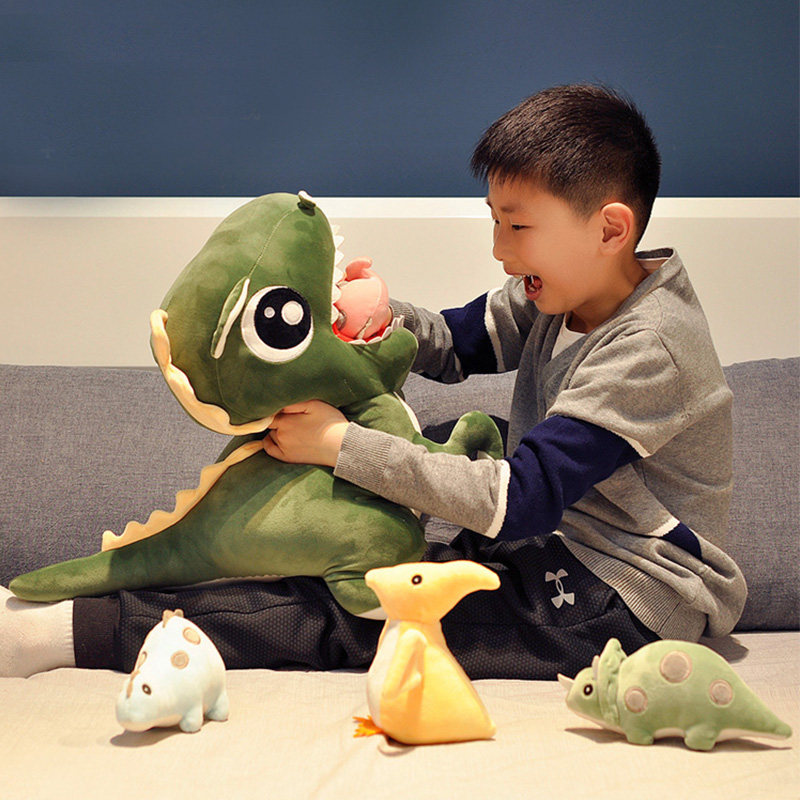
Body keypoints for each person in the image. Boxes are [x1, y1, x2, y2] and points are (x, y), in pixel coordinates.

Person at [1, 84, 746, 681]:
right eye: (494, 221)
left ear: (610, 229)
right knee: (374, 516)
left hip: (627, 597)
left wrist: (340, 446)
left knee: (372, 616)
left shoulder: (651, 348)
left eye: (517, 227)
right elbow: (457, 342)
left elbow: (522, 498)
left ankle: (76, 632)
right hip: (553, 544)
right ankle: (146, 589)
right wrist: (373, 318)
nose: (499, 249)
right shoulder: (560, 291)